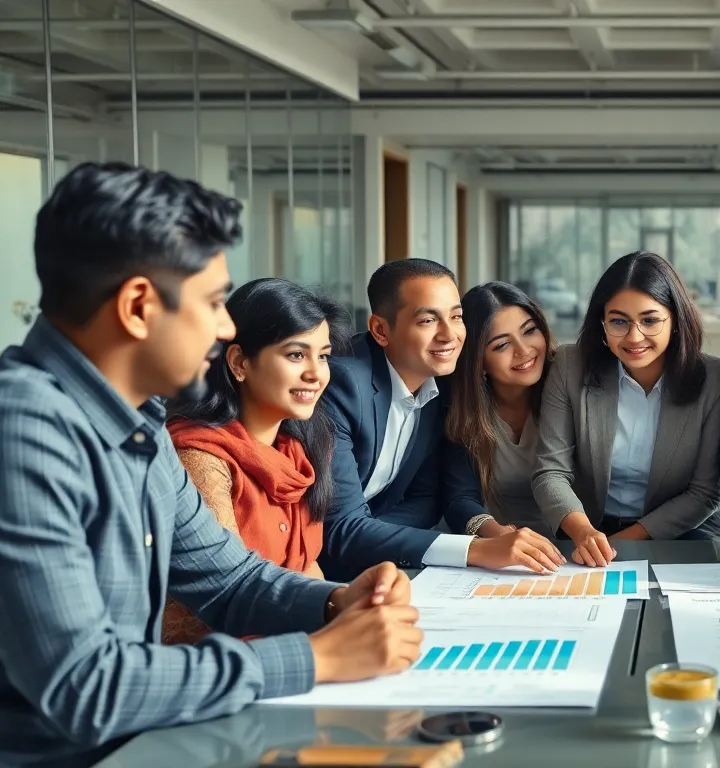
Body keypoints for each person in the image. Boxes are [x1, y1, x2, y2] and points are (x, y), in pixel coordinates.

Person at [0, 162, 420, 765]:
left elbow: (230, 578)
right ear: (139, 305)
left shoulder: (138, 421)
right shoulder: (25, 429)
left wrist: (338, 601)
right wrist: (319, 657)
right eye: (214, 301)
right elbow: (83, 686)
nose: (226, 329)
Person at [319, 259, 563, 581]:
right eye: (428, 320)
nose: (449, 335)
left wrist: (374, 536)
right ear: (380, 330)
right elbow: (342, 528)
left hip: (379, 562)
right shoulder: (342, 383)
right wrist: (475, 549)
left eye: (456, 317)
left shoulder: (440, 385)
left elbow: (428, 499)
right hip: (317, 568)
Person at [162, 278, 349, 644]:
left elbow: (307, 566)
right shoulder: (200, 458)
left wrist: (346, 612)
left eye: (322, 356)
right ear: (239, 362)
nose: (316, 373)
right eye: (296, 355)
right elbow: (223, 593)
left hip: (289, 642)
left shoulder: (302, 448)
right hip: (217, 662)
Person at [533, 251, 720, 566]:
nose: (634, 337)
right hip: (588, 527)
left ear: (675, 320)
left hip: (684, 531)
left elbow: (705, 493)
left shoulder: (714, 379)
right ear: (602, 323)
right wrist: (583, 531)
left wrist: (621, 543)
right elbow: (550, 471)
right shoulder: (570, 366)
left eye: (650, 320)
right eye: (619, 321)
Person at [446, 282, 554, 534]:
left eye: (529, 331)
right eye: (501, 345)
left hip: (580, 544)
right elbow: (459, 497)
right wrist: (502, 537)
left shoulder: (567, 386)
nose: (524, 350)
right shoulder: (462, 408)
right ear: (478, 361)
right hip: (501, 549)